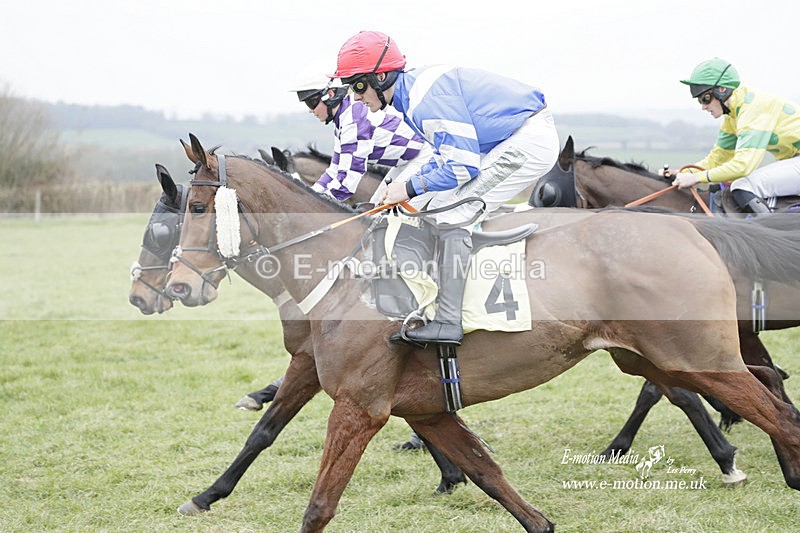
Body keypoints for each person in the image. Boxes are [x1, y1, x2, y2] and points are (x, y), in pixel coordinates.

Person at [330, 30, 560, 345]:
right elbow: (443, 157)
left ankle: (449, 321)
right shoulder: (411, 97)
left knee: (454, 213)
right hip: (508, 139)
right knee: (436, 202)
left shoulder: (423, 101)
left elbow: (463, 166)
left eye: (357, 85)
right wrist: (405, 185)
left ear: (381, 77)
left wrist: (409, 188)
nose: (355, 97)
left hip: (526, 142)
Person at [668, 57, 800, 214]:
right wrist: (685, 173)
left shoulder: (753, 108)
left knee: (743, 185)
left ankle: (770, 236)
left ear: (722, 89)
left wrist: (697, 178)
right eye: (699, 100)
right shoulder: (733, 115)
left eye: (706, 98)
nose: (703, 106)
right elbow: (717, 159)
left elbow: (743, 166)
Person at [290, 76, 432, 207]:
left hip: (425, 156)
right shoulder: (343, 120)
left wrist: (314, 205)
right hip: (407, 161)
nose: (310, 110)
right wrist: (310, 195)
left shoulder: (353, 122)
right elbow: (335, 170)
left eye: (311, 103)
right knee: (375, 211)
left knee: (389, 213)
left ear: (330, 95)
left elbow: (347, 183)